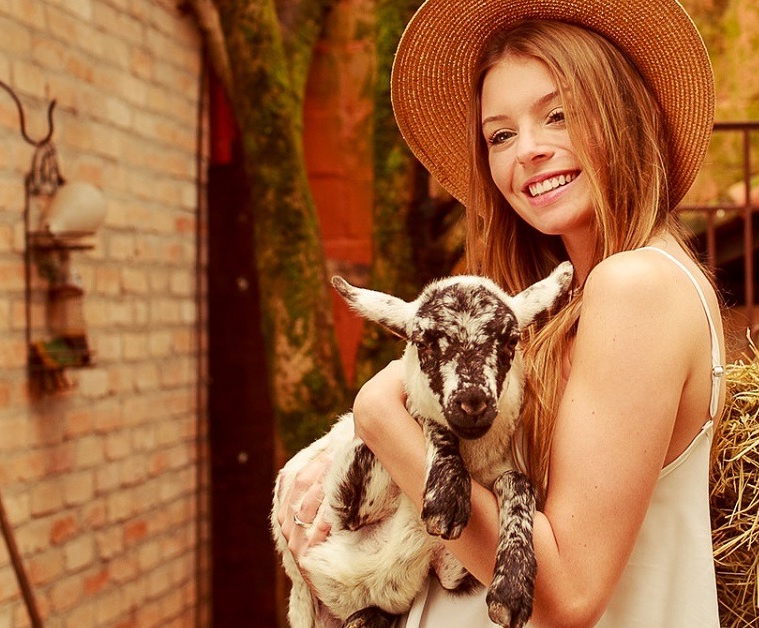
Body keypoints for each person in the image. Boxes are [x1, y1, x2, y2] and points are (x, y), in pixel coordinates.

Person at [275, 0, 724, 625]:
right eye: (501, 134)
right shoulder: (557, 304)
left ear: (623, 115)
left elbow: (566, 593)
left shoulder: (635, 287)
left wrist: (377, 415)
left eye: (558, 115)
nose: (529, 151)